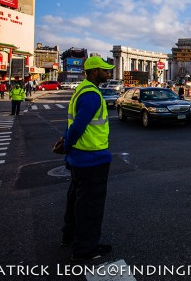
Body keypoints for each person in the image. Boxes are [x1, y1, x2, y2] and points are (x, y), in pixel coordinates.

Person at [62, 56, 114, 261]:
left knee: (76, 199)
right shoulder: (92, 95)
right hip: (92, 157)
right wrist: (67, 144)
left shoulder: (82, 90)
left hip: (80, 157)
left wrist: (68, 146)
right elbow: (78, 126)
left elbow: (73, 125)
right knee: (90, 205)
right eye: (104, 70)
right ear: (93, 72)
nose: (108, 73)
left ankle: (70, 236)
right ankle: (84, 249)